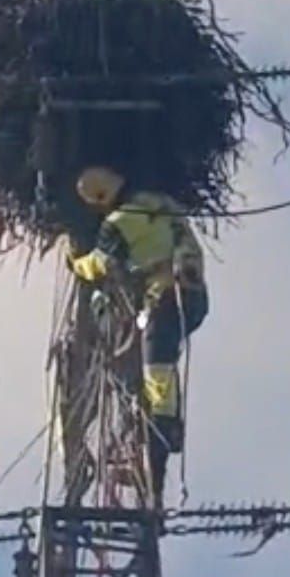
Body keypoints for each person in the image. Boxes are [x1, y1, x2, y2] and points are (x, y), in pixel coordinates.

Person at [67, 165, 209, 502]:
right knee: (159, 361)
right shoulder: (162, 204)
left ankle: (162, 427)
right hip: (196, 298)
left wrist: (76, 263)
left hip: (164, 299)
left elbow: (100, 263)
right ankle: (159, 424)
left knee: (156, 370)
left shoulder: (118, 224)